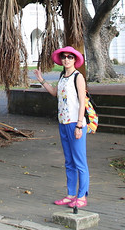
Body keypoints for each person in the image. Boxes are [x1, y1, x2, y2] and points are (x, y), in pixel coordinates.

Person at [34, 45, 90, 209]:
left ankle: (82, 195)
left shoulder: (78, 77)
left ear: (75, 60)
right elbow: (55, 93)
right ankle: (71, 194)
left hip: (75, 123)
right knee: (69, 161)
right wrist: (41, 80)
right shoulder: (62, 76)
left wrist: (79, 124)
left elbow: (82, 101)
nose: (66, 59)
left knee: (80, 161)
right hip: (63, 123)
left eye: (70, 57)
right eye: (64, 57)